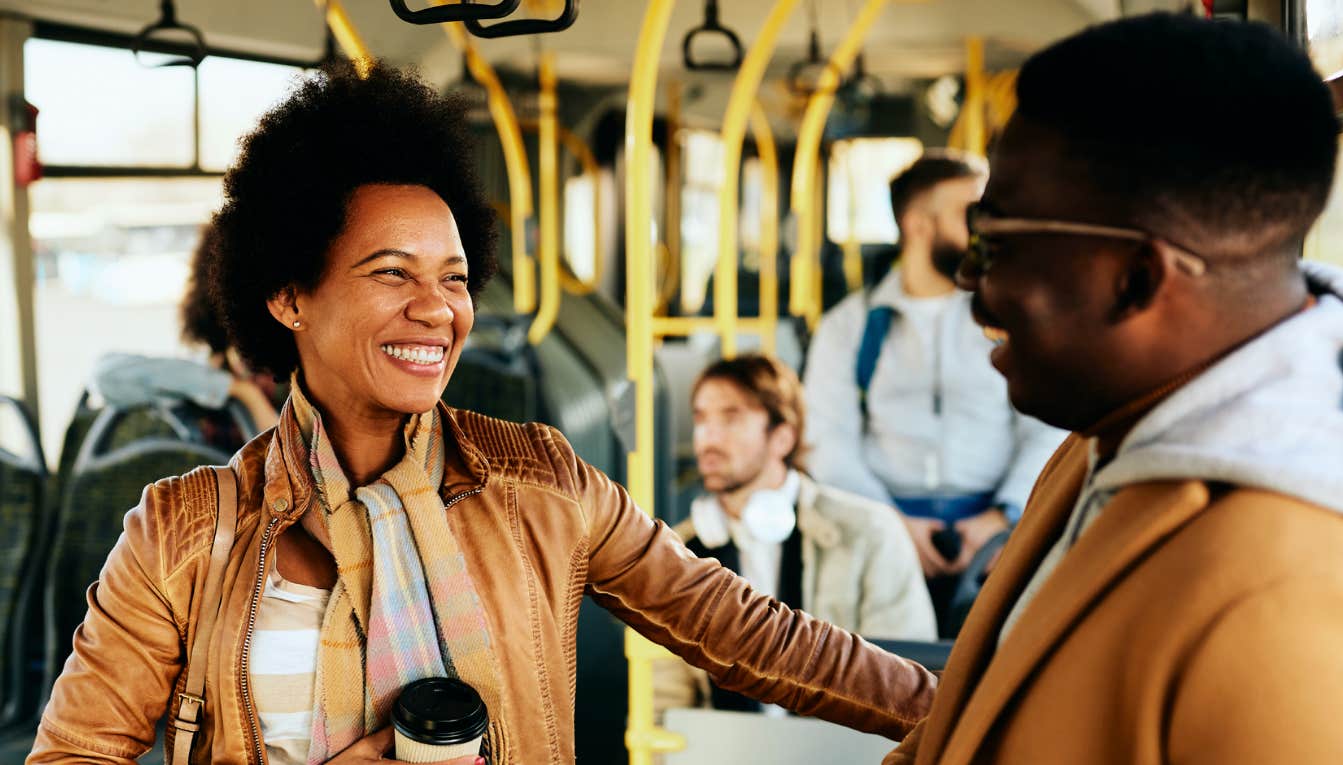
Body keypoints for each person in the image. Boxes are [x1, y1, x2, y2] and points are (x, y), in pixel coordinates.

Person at [27, 62, 936, 765]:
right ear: (289, 293)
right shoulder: (182, 534)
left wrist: (956, 703)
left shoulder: (540, 480)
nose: (437, 310)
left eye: (454, 278)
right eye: (392, 273)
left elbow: (746, 631)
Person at [886, 13, 1343, 765]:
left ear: (1136, 278)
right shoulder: (1103, 440)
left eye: (993, 241)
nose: (969, 280)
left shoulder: (1289, 603)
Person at [802, 151, 1066, 627]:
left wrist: (1005, 517)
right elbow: (828, 438)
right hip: (880, 533)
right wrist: (889, 525)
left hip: (999, 531)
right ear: (918, 225)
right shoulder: (850, 327)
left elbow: (1047, 421)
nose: (987, 227)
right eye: (972, 214)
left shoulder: (1011, 320)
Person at [655, 354, 936, 715]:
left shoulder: (869, 532)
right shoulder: (677, 555)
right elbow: (662, 705)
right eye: (701, 419)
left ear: (782, 437)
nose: (707, 438)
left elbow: (904, 686)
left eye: (730, 418)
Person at [91, 225, 282, 449]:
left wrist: (253, 400)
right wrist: (237, 389)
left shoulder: (294, 383)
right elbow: (106, 374)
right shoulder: (195, 374)